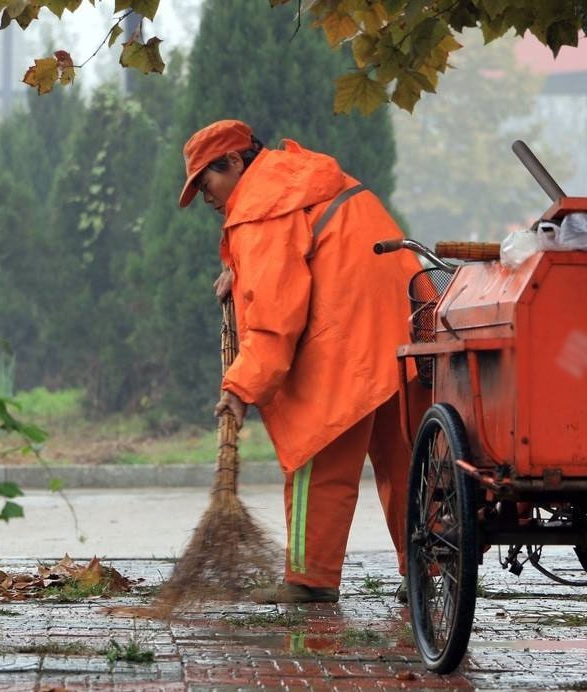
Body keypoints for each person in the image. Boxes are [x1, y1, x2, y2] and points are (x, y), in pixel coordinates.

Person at [178, 119, 424, 604]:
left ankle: (310, 580)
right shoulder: (300, 178)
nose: (207, 198)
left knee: (320, 455)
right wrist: (239, 270)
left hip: (348, 343)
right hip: (408, 325)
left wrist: (241, 387)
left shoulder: (262, 207)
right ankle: (430, 567)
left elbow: (275, 311)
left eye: (207, 182)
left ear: (233, 162)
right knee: (409, 460)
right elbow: (311, 253)